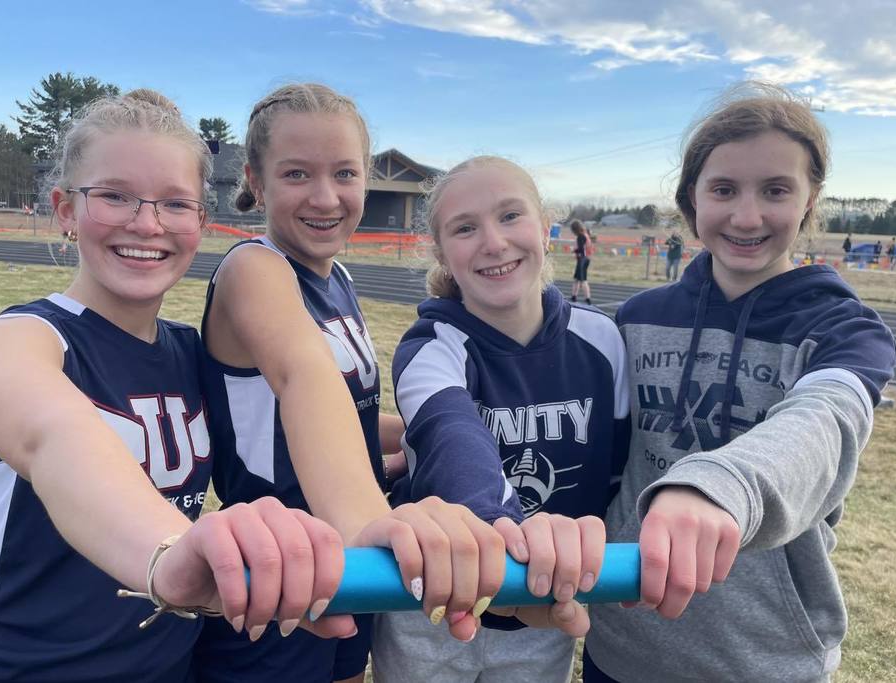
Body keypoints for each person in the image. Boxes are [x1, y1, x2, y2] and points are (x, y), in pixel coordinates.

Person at [0, 89, 358, 683]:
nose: (146, 223)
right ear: (66, 210)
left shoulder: (190, 355)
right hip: (7, 669)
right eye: (115, 196)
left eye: (176, 204)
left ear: (201, 221)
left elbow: (281, 429)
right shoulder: (14, 342)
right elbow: (58, 439)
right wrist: (170, 556)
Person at [193, 84, 587, 683]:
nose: (326, 197)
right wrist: (366, 520)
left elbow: (342, 414)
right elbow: (303, 380)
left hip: (354, 571)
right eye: (297, 174)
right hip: (281, 573)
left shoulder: (338, 276)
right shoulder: (255, 269)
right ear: (256, 177)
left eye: (345, 173)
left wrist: (417, 438)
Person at [585, 82, 896, 683]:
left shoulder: (845, 329)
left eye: (776, 191)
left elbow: (825, 421)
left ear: (809, 202)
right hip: (621, 643)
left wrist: (717, 486)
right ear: (691, 201)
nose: (747, 216)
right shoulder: (636, 319)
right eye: (724, 189)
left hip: (762, 658)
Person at [371, 156, 630, 683]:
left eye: (510, 216)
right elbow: (452, 439)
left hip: (542, 609)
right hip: (435, 602)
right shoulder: (431, 346)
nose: (493, 242)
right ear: (442, 252)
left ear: (545, 226)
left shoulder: (604, 341)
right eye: (465, 228)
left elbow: (617, 474)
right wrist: (506, 536)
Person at [570, 219, 593, 304]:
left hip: (582, 259)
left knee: (583, 280)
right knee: (577, 279)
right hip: (586, 259)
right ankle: (573, 296)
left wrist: (574, 251)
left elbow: (581, 249)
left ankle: (588, 299)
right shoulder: (586, 234)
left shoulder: (581, 236)